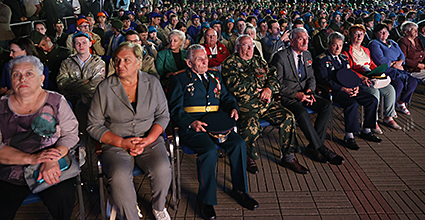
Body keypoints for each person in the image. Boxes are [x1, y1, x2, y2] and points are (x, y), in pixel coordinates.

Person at [168, 44, 258, 220]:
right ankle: (206, 200)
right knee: (209, 151)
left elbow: (226, 97)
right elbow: (175, 110)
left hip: (217, 124)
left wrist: (233, 108)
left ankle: (240, 190)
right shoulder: (179, 79)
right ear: (189, 63)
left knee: (239, 144)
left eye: (206, 58)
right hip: (194, 127)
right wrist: (191, 122)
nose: (205, 62)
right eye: (199, 59)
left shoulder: (215, 75)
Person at [87, 42, 171, 220]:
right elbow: (93, 125)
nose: (120, 65)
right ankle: (131, 215)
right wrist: (121, 142)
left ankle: (158, 206)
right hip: (116, 143)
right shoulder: (104, 88)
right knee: (118, 177)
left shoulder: (153, 83)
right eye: (117, 61)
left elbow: (163, 116)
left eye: (126, 60)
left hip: (149, 140)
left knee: (162, 169)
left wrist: (148, 140)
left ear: (139, 62)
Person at [0, 55, 79, 220]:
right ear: (10, 79)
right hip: (12, 170)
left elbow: (70, 135)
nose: (22, 78)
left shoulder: (56, 101)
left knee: (62, 198)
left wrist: (51, 159)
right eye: (16, 74)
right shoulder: (1, 107)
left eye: (29, 73)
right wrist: (33, 158)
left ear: (41, 78)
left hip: (52, 164)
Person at [222, 35, 309, 174]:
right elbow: (236, 87)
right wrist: (261, 91)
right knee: (251, 127)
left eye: (251, 45)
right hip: (246, 106)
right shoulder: (230, 63)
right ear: (237, 47)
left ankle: (289, 157)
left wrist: (268, 89)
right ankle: (248, 157)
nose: (250, 49)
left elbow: (274, 77)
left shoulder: (259, 61)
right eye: (245, 45)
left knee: (288, 117)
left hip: (266, 103)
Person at [272, 28, 344, 165]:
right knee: (302, 113)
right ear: (291, 41)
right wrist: (296, 94)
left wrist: (310, 91)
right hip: (288, 97)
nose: (306, 41)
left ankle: (312, 147)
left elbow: (311, 77)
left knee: (327, 106)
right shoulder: (281, 57)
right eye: (300, 39)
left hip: (306, 94)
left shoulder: (307, 55)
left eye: (307, 38)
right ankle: (321, 148)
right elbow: (276, 84)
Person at [315, 32, 380, 150]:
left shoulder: (344, 58)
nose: (338, 48)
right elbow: (324, 79)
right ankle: (349, 136)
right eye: (334, 45)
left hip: (350, 88)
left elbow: (350, 75)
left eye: (340, 45)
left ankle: (367, 130)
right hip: (335, 91)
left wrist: (356, 87)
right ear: (328, 45)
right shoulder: (322, 59)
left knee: (372, 100)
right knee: (352, 104)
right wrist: (343, 89)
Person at [342, 24, 401, 131]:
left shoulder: (365, 49)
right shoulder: (346, 50)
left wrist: (378, 71)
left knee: (390, 90)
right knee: (374, 92)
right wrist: (361, 77)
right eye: (356, 34)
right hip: (358, 79)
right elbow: (348, 69)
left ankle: (389, 116)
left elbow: (372, 64)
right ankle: (372, 121)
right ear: (350, 35)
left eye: (362, 34)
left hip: (371, 76)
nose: (359, 36)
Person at [57, 32, 106, 132]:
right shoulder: (67, 62)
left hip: (92, 101)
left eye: (84, 42)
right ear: (74, 45)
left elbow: (95, 86)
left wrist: (72, 84)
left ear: (90, 44)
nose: (81, 46)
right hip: (71, 100)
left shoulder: (99, 63)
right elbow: (61, 83)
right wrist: (84, 82)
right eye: (77, 43)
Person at [369, 23, 418, 116]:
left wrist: (400, 62)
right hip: (385, 70)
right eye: (381, 32)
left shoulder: (392, 42)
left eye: (386, 32)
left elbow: (402, 55)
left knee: (413, 82)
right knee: (398, 84)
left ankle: (401, 102)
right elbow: (380, 60)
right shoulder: (374, 43)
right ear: (376, 33)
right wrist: (394, 64)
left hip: (398, 68)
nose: (384, 34)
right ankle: (390, 107)